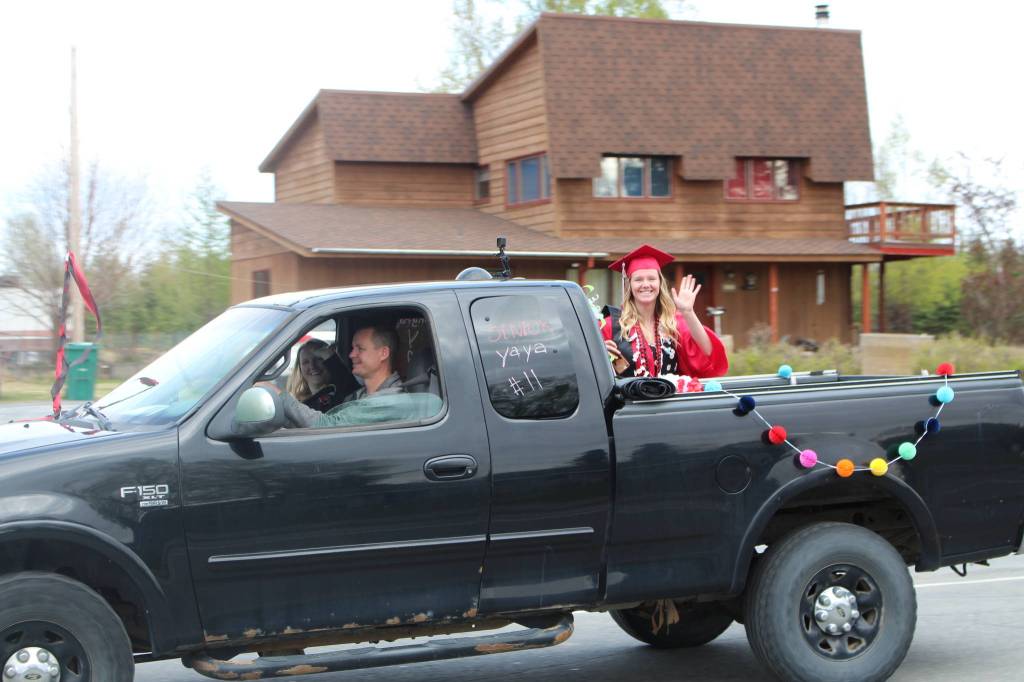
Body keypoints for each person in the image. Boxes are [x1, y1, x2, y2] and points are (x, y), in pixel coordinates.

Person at [602, 244, 728, 380]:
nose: (645, 284)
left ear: (660, 283)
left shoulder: (672, 323)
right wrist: (600, 354)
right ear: (629, 285)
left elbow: (709, 354)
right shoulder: (611, 325)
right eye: (638, 279)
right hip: (628, 400)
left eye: (651, 278)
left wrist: (688, 312)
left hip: (669, 400)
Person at [276, 324, 408, 428]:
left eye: (360, 349)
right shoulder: (359, 394)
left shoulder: (388, 401)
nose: (351, 355)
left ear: (383, 353)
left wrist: (278, 395)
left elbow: (327, 426)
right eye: (352, 348)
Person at [285, 338, 355, 412]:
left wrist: (330, 356)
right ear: (300, 368)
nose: (312, 366)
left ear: (328, 361)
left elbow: (347, 383)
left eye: (318, 359)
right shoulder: (296, 400)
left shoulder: (343, 394)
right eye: (306, 362)